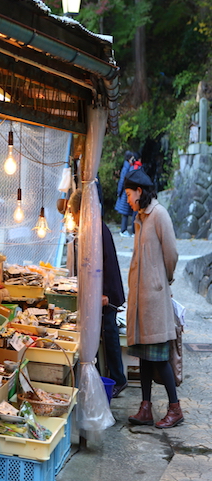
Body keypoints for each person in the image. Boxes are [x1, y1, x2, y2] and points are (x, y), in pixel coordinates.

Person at [124, 168, 182, 428]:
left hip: (155, 302)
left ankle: (175, 408)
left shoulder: (158, 215)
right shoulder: (140, 218)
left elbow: (172, 254)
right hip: (141, 302)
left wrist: (163, 280)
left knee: (160, 357)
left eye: (128, 194)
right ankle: (145, 407)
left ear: (140, 191)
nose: (127, 199)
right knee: (145, 357)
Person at [68, 189, 128, 398]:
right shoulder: (94, 228)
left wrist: (104, 294)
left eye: (73, 213)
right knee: (105, 334)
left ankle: (118, 379)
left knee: (109, 334)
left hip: (107, 294)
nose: (73, 219)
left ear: (80, 211)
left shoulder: (96, 230)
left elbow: (105, 266)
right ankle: (110, 376)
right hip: (105, 292)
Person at [115, 151, 135, 237]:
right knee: (125, 212)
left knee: (125, 212)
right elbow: (122, 181)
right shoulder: (126, 168)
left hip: (125, 192)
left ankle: (124, 230)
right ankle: (123, 231)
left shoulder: (127, 167)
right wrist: (119, 192)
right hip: (125, 192)